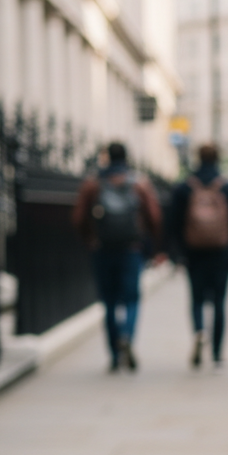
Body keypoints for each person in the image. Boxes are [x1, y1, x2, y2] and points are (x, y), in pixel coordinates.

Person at [73, 141, 163, 372]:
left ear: (106, 157)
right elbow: (154, 217)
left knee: (110, 302)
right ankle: (127, 336)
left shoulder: (93, 184)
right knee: (132, 299)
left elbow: (79, 218)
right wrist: (154, 247)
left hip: (103, 248)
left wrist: (90, 239)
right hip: (131, 249)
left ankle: (114, 355)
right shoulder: (139, 183)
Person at [170, 143, 228, 368]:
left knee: (196, 298)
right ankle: (217, 354)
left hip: (193, 252)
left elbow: (173, 221)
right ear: (218, 158)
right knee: (220, 302)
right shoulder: (227, 188)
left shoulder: (185, 187)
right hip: (221, 252)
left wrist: (176, 252)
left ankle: (199, 331)